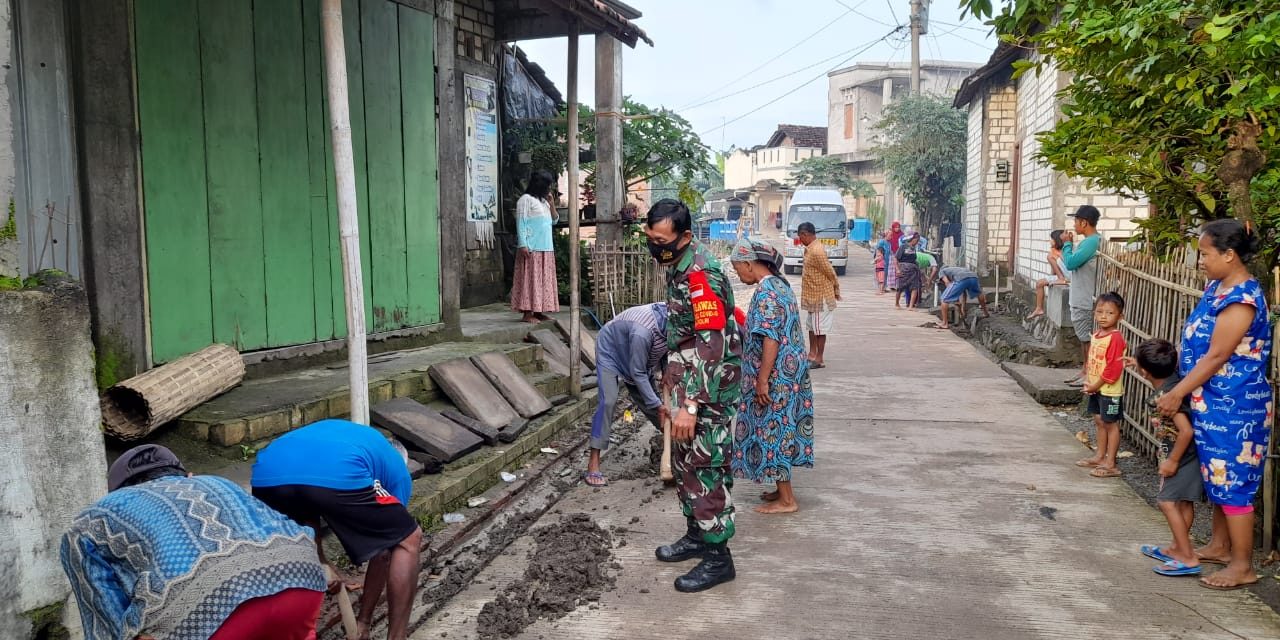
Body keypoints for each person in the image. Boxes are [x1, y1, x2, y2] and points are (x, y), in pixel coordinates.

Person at [61, 445, 326, 640]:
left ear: (118, 491)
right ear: (188, 475)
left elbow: (104, 616)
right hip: (301, 578)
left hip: (209, 612)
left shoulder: (93, 519)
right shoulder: (215, 482)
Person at [1155, 218, 1272, 591]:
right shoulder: (1217, 288)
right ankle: (1221, 547)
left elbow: (1218, 355)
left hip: (1236, 405)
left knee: (1233, 484)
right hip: (1213, 401)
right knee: (1218, 477)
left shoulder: (1243, 299)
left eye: (1205, 254)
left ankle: (1242, 565)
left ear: (1229, 254)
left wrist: (1176, 393)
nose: (1200, 260)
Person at [644, 198, 743, 593]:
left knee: (705, 467)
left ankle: (719, 559)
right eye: (651, 238)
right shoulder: (679, 265)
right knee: (686, 464)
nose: (656, 247)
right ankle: (697, 535)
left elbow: (712, 343)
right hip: (687, 380)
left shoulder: (701, 275)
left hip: (708, 390)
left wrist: (690, 404)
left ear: (685, 237)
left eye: (662, 241)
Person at [252, 419, 422, 640]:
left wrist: (321, 560)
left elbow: (307, 502)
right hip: (337, 470)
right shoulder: (398, 469)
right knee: (408, 538)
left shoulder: (352, 436)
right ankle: (397, 636)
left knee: (305, 507)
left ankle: (321, 568)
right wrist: (364, 620)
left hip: (267, 474)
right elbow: (385, 549)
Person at [727, 238, 814, 514]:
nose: (739, 275)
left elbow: (770, 339)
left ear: (749, 264)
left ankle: (787, 500)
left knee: (774, 431)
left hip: (777, 376)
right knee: (781, 427)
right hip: (791, 373)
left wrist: (762, 379)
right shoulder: (781, 285)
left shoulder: (766, 293)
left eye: (738, 268)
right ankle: (781, 489)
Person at [1133, 339, 1205, 577]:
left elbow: (1185, 431)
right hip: (1192, 455)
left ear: (1144, 371)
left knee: (1166, 502)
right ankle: (1177, 547)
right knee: (1184, 502)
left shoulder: (1165, 397)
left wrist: (1172, 460)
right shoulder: (1176, 384)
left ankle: (1187, 556)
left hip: (1181, 457)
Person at [584, 302, 670, 487]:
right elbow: (637, 372)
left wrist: (666, 370)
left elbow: (665, 348)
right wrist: (657, 403)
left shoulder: (674, 320)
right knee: (608, 401)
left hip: (637, 356)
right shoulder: (643, 332)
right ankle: (593, 463)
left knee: (656, 408)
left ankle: (672, 451)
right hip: (611, 350)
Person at [1075, 292, 1127, 478]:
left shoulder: (1115, 338)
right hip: (1096, 387)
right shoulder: (1097, 335)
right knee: (1099, 420)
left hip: (1109, 390)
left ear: (1120, 316)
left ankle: (1111, 463)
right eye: (1100, 312)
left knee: (1110, 424)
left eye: (1110, 313)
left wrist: (1094, 385)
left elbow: (1113, 369)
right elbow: (1091, 360)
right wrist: (1089, 381)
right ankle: (1099, 455)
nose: (1103, 316)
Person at [1061, 206, 1103, 385]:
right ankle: (1085, 368)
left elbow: (1070, 263)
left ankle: (1089, 372)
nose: (1074, 224)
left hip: (1084, 297)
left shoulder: (1090, 242)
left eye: (1076, 221)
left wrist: (1066, 244)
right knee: (1083, 336)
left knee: (1086, 338)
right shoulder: (1091, 241)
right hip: (1083, 295)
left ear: (1084, 223)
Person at [511, 170, 559, 323]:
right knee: (530, 280)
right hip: (531, 247)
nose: (549, 188)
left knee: (543, 281)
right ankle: (527, 313)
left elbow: (554, 221)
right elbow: (521, 222)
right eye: (548, 185)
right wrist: (523, 244)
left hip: (546, 248)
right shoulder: (525, 200)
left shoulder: (544, 202)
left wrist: (551, 204)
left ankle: (539, 312)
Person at [796, 221, 841, 368]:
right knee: (811, 327)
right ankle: (812, 353)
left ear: (805, 234)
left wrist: (836, 289)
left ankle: (819, 358)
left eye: (800, 237)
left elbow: (830, 271)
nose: (800, 240)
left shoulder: (817, 251)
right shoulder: (810, 249)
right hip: (812, 295)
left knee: (819, 329)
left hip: (820, 296)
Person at [1027, 230, 1071, 319]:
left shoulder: (1065, 249)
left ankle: (1061, 279)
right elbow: (1055, 268)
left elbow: (1067, 262)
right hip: (1063, 276)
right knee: (1039, 283)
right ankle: (1039, 308)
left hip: (1069, 275)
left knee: (1049, 256)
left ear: (1057, 240)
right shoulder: (1054, 250)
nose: (1050, 241)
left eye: (1052, 239)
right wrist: (1051, 278)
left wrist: (1057, 255)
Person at [936, 265, 990, 330]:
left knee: (944, 299)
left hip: (961, 278)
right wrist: (962, 309)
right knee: (979, 293)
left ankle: (944, 323)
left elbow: (947, 283)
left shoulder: (942, 271)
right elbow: (963, 293)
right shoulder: (958, 269)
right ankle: (985, 313)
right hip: (973, 276)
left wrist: (952, 297)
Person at [894, 232, 923, 309]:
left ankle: (910, 305)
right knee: (900, 287)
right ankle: (897, 303)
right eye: (916, 240)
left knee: (914, 287)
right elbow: (896, 258)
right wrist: (897, 269)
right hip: (903, 269)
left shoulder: (914, 249)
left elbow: (914, 259)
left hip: (913, 270)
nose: (917, 242)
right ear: (912, 239)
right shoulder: (903, 247)